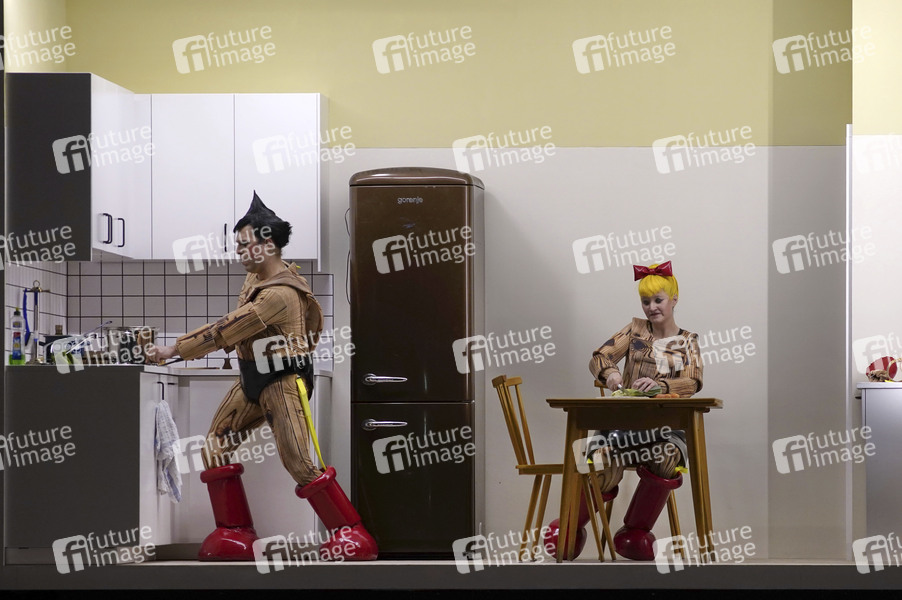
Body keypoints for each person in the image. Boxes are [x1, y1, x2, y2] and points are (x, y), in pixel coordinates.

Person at [147, 192, 377, 562]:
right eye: (237, 244)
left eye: (244, 244)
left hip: (282, 381)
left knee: (300, 463)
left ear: (267, 244)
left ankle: (351, 534)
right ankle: (234, 532)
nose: (238, 251)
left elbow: (226, 329)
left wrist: (172, 350)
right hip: (253, 377)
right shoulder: (255, 280)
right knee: (215, 448)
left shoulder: (279, 294)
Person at [545, 261, 703, 561]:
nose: (652, 307)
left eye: (658, 300)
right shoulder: (635, 330)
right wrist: (612, 375)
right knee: (599, 456)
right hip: (621, 429)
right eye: (646, 301)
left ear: (674, 299)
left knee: (670, 455)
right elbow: (599, 356)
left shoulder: (685, 341)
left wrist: (660, 385)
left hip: (663, 432)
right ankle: (572, 524)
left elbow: (693, 382)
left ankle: (636, 530)